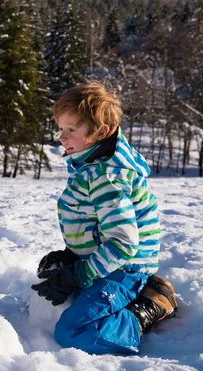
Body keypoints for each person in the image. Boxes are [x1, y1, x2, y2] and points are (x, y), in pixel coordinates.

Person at [31, 81, 178, 355]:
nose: (61, 137)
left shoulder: (107, 178)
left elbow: (123, 244)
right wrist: (73, 254)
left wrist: (79, 274)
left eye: (70, 130)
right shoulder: (90, 164)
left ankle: (149, 306)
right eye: (61, 128)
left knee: (73, 332)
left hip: (123, 267)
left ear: (101, 132)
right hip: (106, 260)